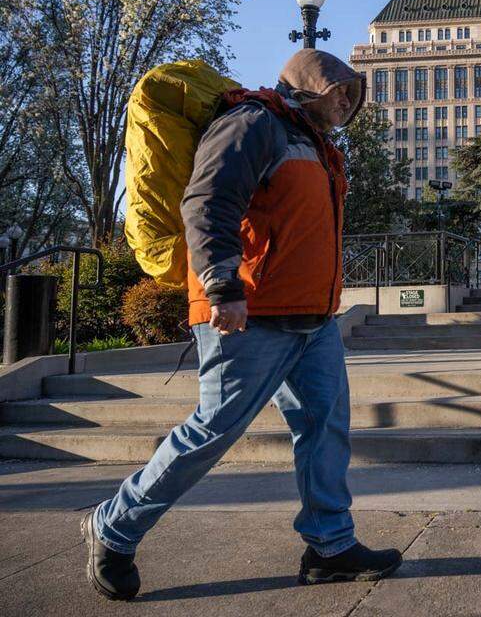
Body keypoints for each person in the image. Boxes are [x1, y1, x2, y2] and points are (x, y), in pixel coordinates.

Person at [82, 50, 402, 601]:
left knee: (325, 428)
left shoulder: (317, 146)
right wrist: (223, 285)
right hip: (250, 314)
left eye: (355, 94)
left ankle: (330, 546)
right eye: (341, 88)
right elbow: (207, 202)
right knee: (212, 430)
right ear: (310, 84)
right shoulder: (253, 123)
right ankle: (114, 525)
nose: (349, 101)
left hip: (314, 320)